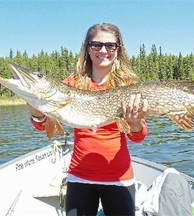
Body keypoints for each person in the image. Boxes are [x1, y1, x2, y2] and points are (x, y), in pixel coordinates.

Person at [29, 23, 149, 216]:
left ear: (118, 50)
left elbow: (138, 136)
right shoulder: (72, 84)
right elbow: (43, 126)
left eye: (110, 46)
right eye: (96, 45)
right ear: (88, 48)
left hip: (118, 178)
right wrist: (36, 110)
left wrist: (134, 123)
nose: (103, 50)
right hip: (80, 178)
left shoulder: (129, 86)